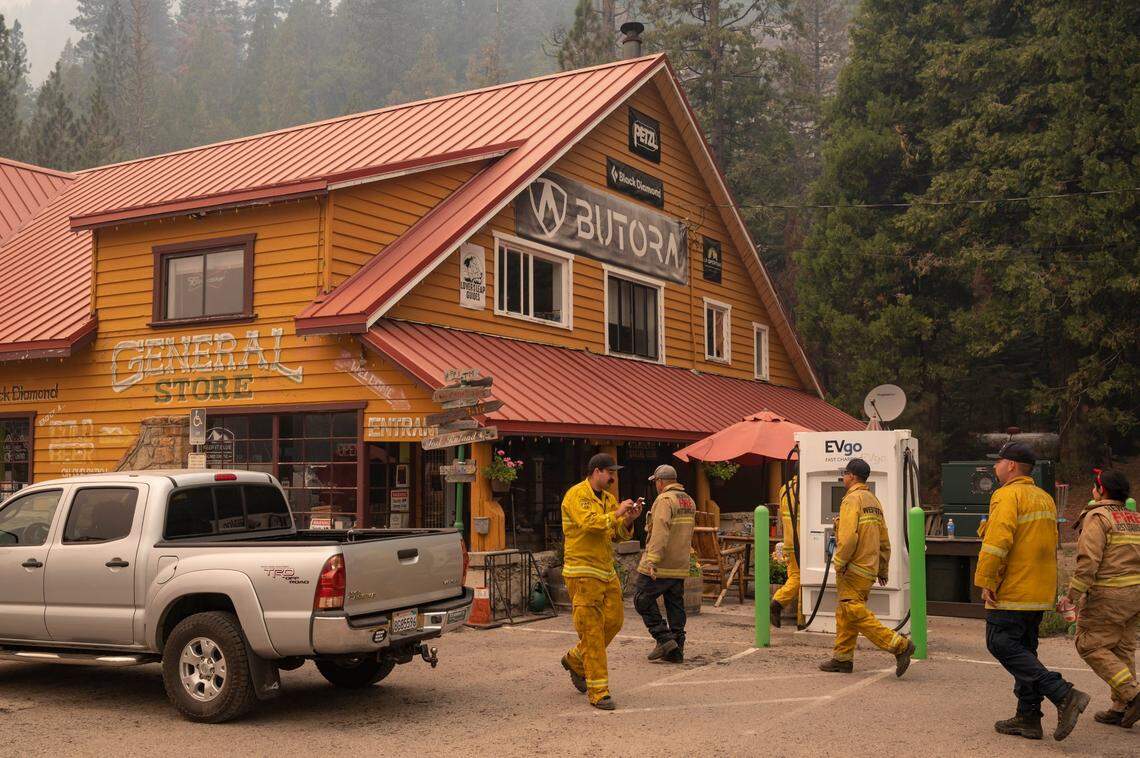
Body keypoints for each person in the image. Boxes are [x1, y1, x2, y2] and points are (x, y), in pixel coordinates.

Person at [975, 441, 1089, 741]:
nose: (995, 466)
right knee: (1025, 652)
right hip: (1037, 591)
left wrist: (987, 580)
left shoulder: (1006, 496)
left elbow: (998, 542)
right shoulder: (1044, 499)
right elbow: (1049, 544)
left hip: (1012, 589)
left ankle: (1063, 693)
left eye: (998, 461)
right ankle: (1028, 717)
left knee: (999, 643)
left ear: (1011, 465)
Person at [559, 453, 641, 711]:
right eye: (609, 472)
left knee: (615, 621)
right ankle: (598, 691)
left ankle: (575, 658)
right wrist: (616, 513)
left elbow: (614, 534)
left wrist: (628, 519)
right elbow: (588, 524)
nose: (613, 478)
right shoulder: (576, 495)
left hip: (606, 571)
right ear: (596, 471)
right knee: (592, 631)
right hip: (582, 572)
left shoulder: (608, 499)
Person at [819, 458, 915, 676]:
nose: (843, 477)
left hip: (853, 568)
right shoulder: (873, 500)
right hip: (869, 568)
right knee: (846, 612)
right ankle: (842, 659)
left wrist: (839, 562)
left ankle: (899, 645)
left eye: (844, 474)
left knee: (853, 610)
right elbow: (884, 539)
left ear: (852, 476)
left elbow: (849, 538)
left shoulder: (851, 500)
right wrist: (883, 569)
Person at [1060, 469, 1140, 728]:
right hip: (1135, 595)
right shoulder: (1135, 518)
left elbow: (1088, 561)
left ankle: (1133, 695)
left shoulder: (1098, 516)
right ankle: (1120, 707)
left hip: (1109, 594)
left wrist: (1072, 595)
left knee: (1089, 645)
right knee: (1122, 648)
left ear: (1101, 490)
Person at [633, 464, 697, 663]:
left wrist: (651, 560)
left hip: (661, 563)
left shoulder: (664, 500)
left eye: (656, 483)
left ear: (660, 482)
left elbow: (660, 531)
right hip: (679, 563)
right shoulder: (688, 500)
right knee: (674, 605)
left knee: (641, 599)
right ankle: (676, 651)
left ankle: (663, 638)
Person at [770, 474, 799, 628]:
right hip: (802, 542)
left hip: (789, 540)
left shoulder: (784, 489)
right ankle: (778, 602)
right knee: (799, 578)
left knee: (795, 575)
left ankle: (802, 619)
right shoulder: (803, 488)